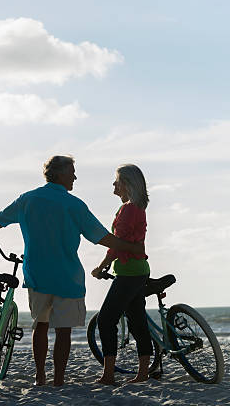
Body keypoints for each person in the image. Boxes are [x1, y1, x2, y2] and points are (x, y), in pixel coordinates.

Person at [0, 155, 145, 387]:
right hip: (67, 277)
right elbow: (102, 238)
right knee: (63, 331)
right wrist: (132, 247)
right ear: (60, 174)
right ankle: (58, 380)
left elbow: (0, 219)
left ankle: (40, 376)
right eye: (72, 172)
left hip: (37, 274)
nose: (75, 176)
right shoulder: (74, 205)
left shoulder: (28, 199)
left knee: (40, 325)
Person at [91, 164, 152, 386]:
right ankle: (143, 373)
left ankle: (108, 375)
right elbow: (128, 243)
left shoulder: (128, 209)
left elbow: (118, 244)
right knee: (137, 321)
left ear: (126, 184)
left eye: (116, 181)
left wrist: (101, 266)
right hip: (137, 271)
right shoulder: (137, 207)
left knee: (106, 320)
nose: (113, 185)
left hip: (129, 273)